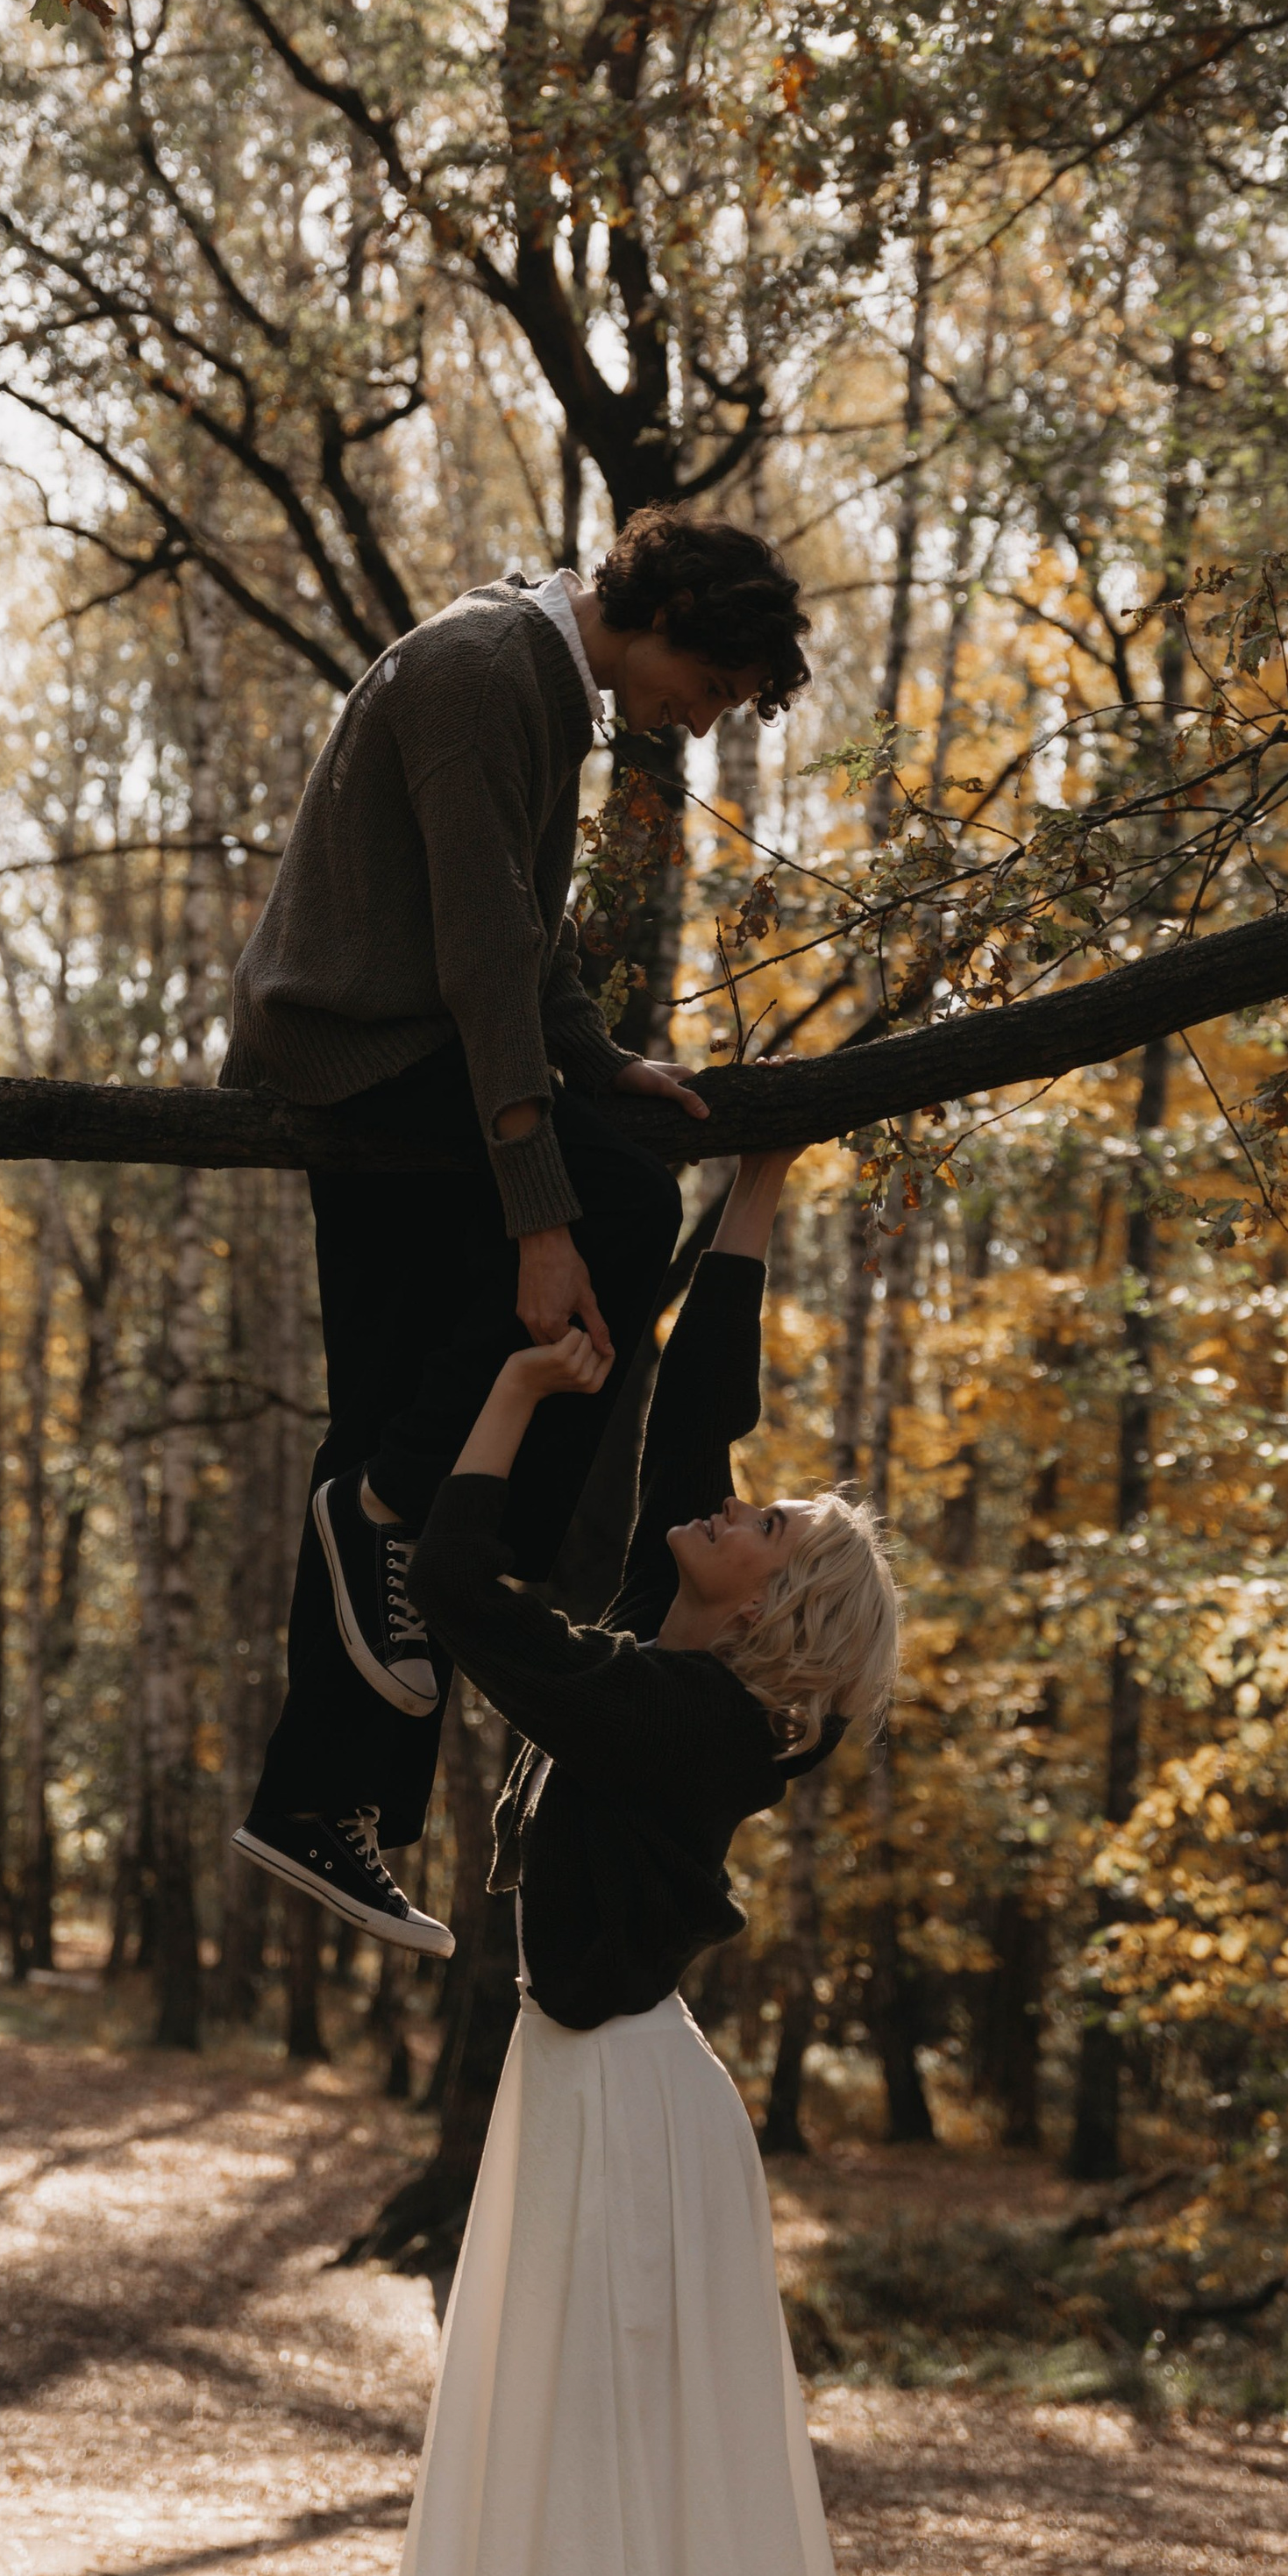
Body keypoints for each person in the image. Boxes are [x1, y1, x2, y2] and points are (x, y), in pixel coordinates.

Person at [221, 508, 812, 1953]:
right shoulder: (489, 671)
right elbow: (481, 957)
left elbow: (520, 935)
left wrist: (599, 1061)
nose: (701, 721)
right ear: (669, 615)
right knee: (625, 1203)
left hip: (409, 1045)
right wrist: (545, 1216)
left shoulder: (543, 682)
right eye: (711, 688)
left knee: (390, 1423)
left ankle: (319, 1804)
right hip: (358, 1044)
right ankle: (411, 1520)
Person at [395, 1146, 899, 2576]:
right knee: (565, 2430)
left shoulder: (677, 1717)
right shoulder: (659, 1639)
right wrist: (760, 1180)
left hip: (624, 2102)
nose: (736, 1509)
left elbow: (453, 1588)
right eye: (754, 1505)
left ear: (767, 1610)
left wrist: (516, 1390)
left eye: (766, 1528)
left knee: (601, 2436)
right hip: (588, 2078)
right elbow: (695, 1414)